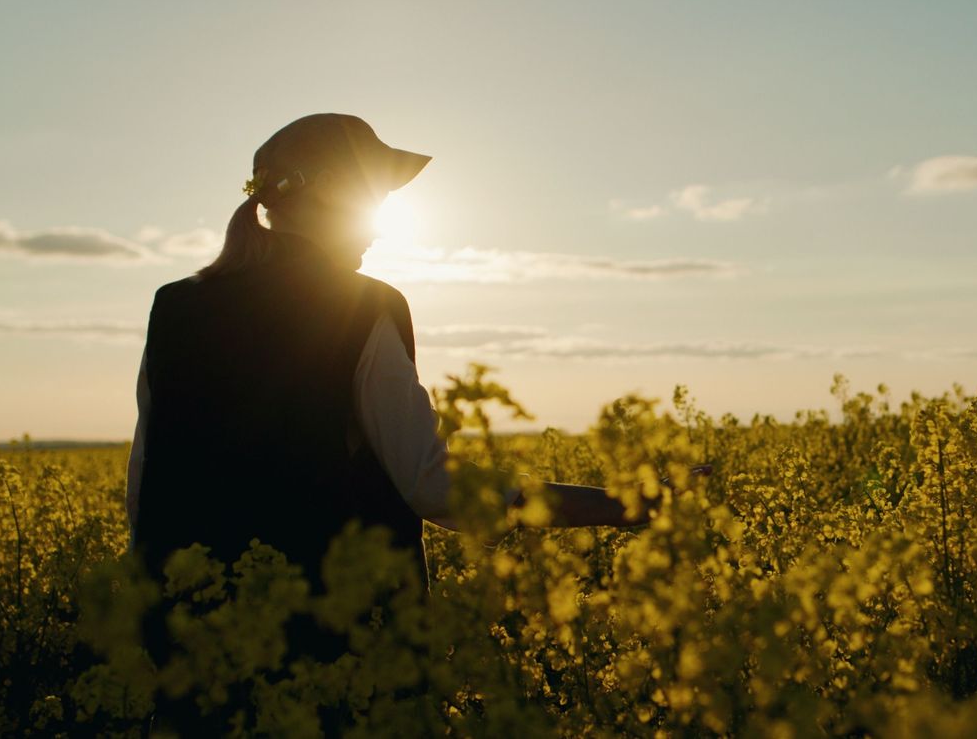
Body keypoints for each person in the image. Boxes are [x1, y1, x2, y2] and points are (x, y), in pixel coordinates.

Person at [125, 113, 673, 593]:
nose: (378, 229)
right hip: (334, 640)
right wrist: (618, 504)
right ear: (334, 189)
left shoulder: (175, 305)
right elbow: (432, 485)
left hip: (189, 637)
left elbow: (147, 477)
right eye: (374, 200)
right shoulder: (359, 306)